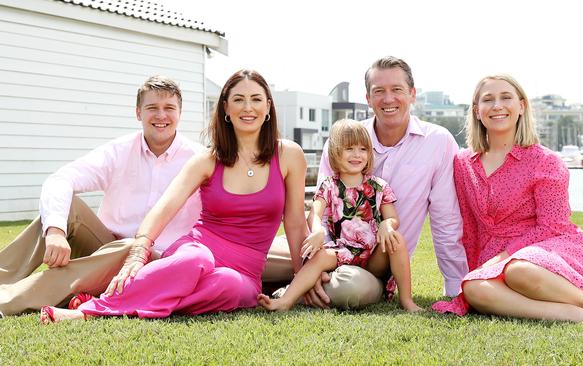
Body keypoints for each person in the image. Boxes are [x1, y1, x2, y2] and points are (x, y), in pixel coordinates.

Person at [39, 69, 308, 323]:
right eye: (238, 99)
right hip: (197, 249)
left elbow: (295, 223)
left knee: (231, 286)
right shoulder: (207, 160)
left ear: (268, 106)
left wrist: (301, 279)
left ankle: (125, 299)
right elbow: (164, 208)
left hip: (245, 271)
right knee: (196, 259)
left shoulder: (289, 155)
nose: (247, 107)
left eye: (256, 99)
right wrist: (139, 251)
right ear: (226, 108)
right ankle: (93, 311)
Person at [431, 74, 583, 327]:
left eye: (506, 97)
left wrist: (504, 256)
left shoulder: (545, 161)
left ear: (521, 106)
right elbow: (469, 227)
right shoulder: (462, 163)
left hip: (548, 247)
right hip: (494, 257)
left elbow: (551, 226)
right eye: (487, 100)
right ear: (477, 111)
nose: (497, 105)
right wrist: (473, 269)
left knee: (518, 270)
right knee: (474, 290)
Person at [267, 56, 468, 309]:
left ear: (412, 94)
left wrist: (455, 287)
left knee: (351, 289)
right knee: (257, 257)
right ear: (368, 98)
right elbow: (324, 210)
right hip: (328, 250)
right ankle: (294, 281)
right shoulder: (341, 140)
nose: (388, 99)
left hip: (375, 262)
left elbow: (446, 220)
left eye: (397, 90)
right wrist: (315, 263)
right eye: (379, 91)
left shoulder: (438, 142)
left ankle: (288, 287)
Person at [0, 75, 203, 317]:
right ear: (138, 113)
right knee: (69, 208)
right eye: (152, 108)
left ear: (180, 113)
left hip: (158, 260)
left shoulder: (199, 160)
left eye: (169, 108)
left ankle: (8, 300)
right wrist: (55, 230)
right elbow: (62, 178)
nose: (161, 116)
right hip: (105, 246)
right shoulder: (119, 151)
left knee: (131, 247)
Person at [258, 119, 422, 312]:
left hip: (373, 259)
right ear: (335, 152)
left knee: (397, 241)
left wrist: (388, 225)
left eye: (362, 149)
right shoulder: (329, 185)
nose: (357, 155)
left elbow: (392, 218)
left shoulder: (379, 186)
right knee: (319, 257)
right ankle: (286, 300)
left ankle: (406, 300)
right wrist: (317, 230)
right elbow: (315, 213)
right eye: (349, 149)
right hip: (342, 251)